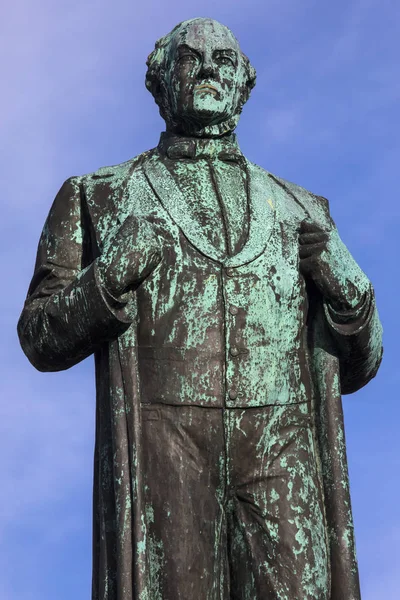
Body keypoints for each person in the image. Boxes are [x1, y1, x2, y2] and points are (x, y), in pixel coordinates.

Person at [18, 17, 383, 600]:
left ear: (244, 85)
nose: (210, 67)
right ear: (159, 82)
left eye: (225, 61)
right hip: (166, 443)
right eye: (191, 57)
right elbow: (38, 334)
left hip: (282, 445)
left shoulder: (302, 209)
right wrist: (108, 278)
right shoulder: (99, 195)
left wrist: (348, 290)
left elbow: (363, 363)